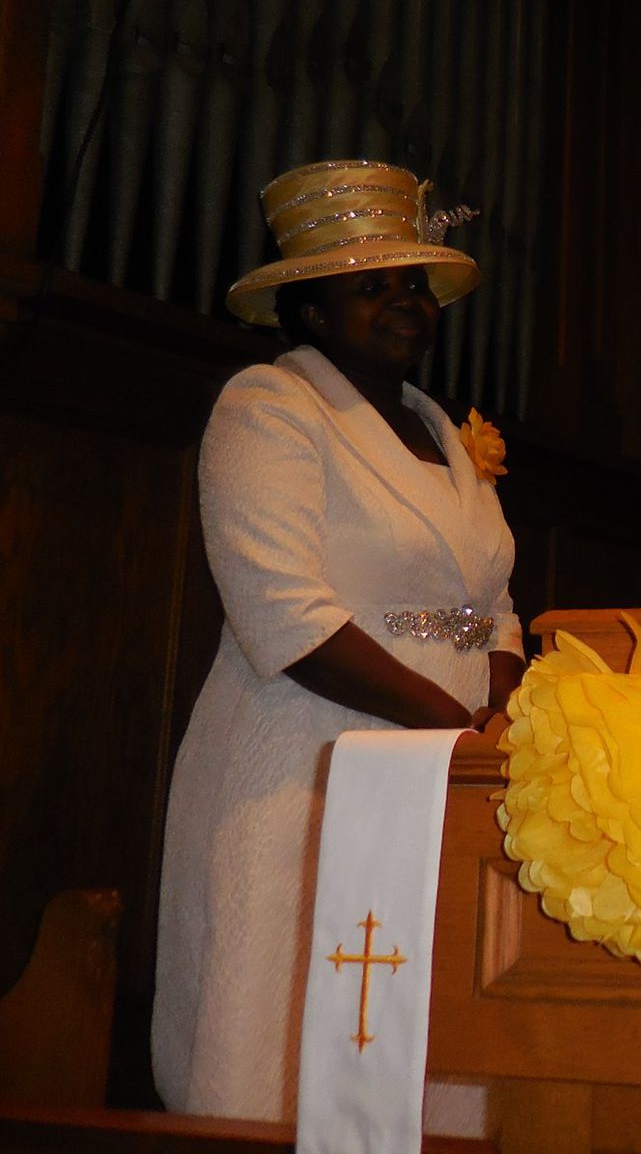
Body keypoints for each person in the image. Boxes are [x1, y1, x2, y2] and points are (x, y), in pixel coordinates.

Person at [152, 160, 523, 1122]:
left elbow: (488, 605)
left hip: (443, 777)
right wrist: (453, 731)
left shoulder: (442, 431)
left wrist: (503, 704)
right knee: (280, 1049)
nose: (406, 300)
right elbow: (286, 613)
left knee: (418, 1051)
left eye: (413, 284)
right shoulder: (269, 409)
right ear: (310, 312)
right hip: (305, 768)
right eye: (373, 285)